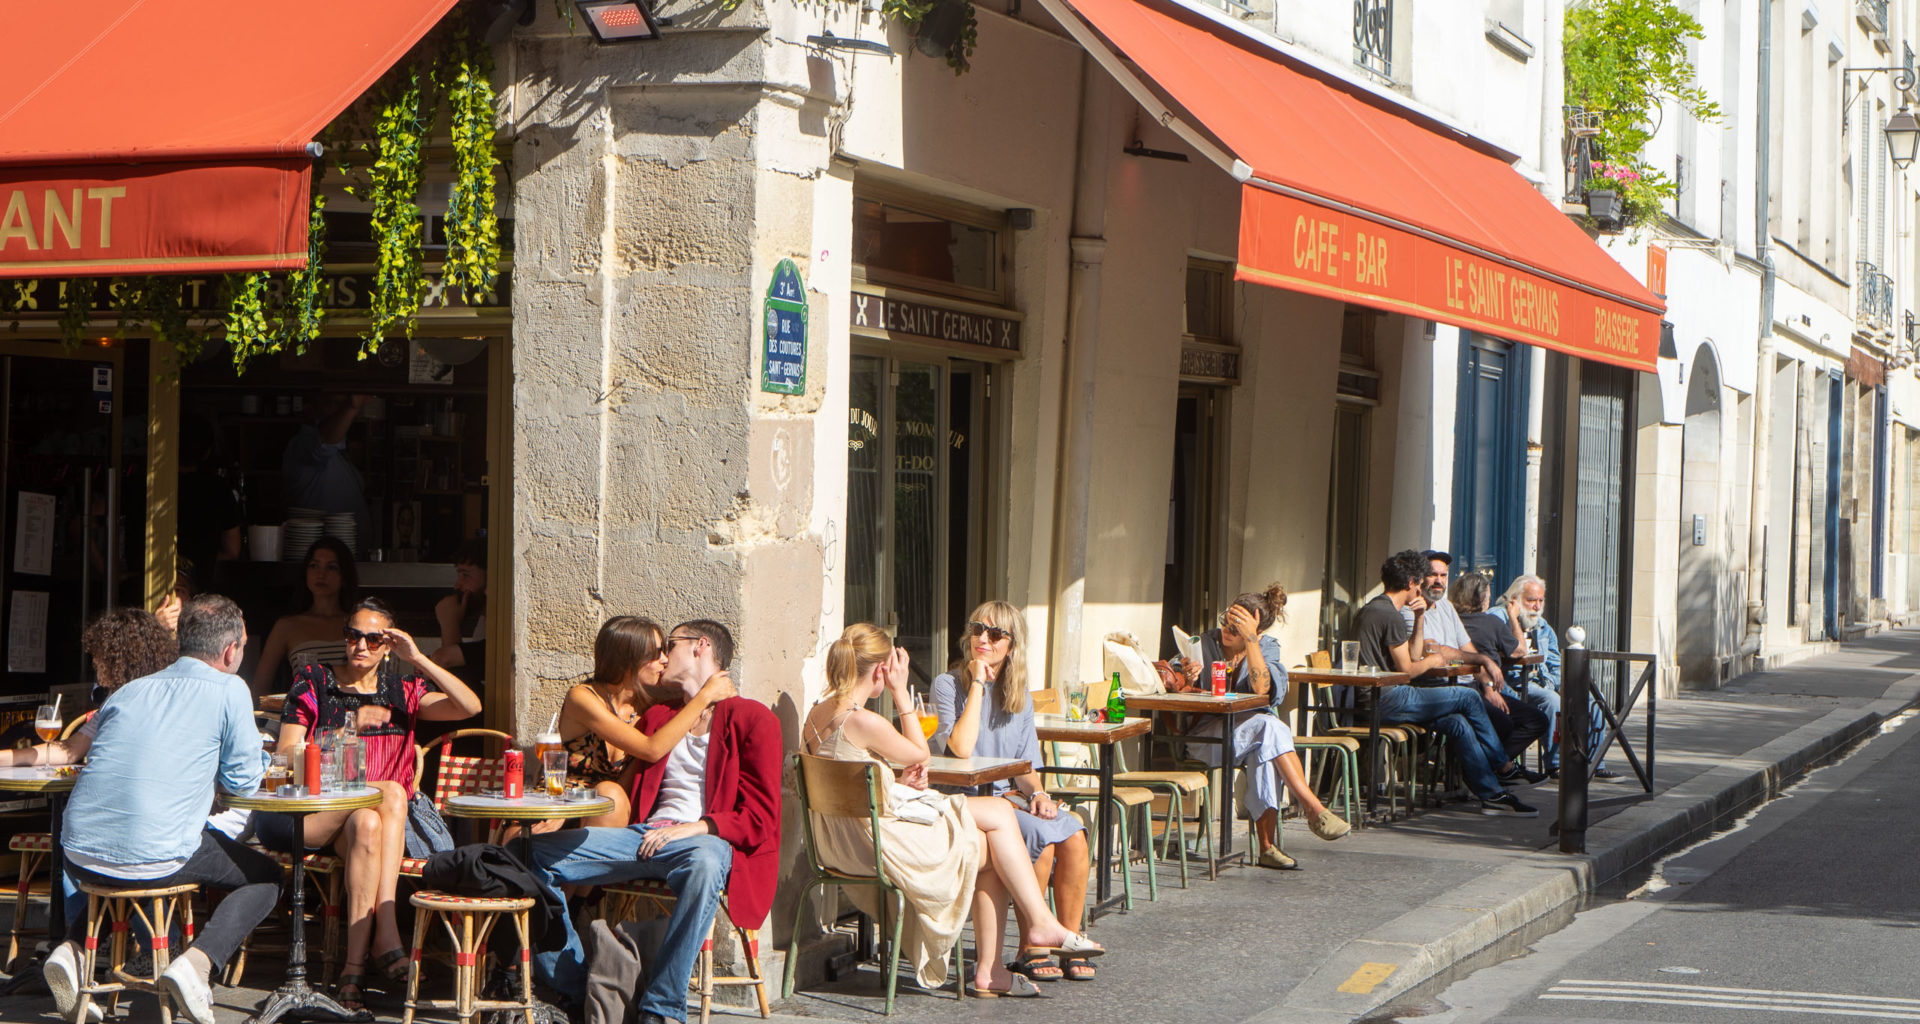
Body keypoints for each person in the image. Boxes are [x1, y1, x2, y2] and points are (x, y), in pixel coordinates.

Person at [804, 623, 1103, 998]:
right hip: (878, 847)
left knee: (996, 818)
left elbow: (848, 779)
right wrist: (901, 694)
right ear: (881, 670)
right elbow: (922, 752)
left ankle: (1033, 930)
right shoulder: (864, 720)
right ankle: (1003, 959)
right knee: (994, 841)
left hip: (841, 843)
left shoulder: (817, 715)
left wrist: (892, 785)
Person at [528, 619, 782, 1024]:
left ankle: (661, 1010)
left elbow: (761, 817)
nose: (662, 656)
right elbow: (623, 777)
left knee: (706, 861)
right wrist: (562, 817)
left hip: (702, 841)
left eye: (671, 645)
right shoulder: (659, 716)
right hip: (641, 837)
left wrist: (699, 827)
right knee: (525, 856)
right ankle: (578, 985)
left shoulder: (753, 719)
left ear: (700, 647)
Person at [43, 595, 283, 1024]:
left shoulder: (130, 690)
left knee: (121, 866)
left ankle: (73, 949)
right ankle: (195, 965)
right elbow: (243, 784)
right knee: (266, 878)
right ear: (230, 652)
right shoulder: (231, 688)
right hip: (152, 855)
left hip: (77, 854)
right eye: (242, 648)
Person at [267, 596, 484, 1010]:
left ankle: (352, 971)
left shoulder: (402, 691)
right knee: (389, 791)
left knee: (369, 822)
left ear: (388, 646)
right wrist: (349, 726)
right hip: (313, 812)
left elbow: (469, 706)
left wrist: (418, 657)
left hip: (369, 827)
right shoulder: (314, 682)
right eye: (353, 635)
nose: (360, 645)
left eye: (373, 638)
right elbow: (287, 753)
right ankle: (387, 929)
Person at [931, 602, 1095, 982]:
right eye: (977, 630)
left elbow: (1026, 767)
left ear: (1012, 645)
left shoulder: (1019, 693)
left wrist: (1038, 794)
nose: (982, 640)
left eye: (994, 634)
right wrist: (977, 683)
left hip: (1007, 796)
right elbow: (960, 748)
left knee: (1072, 833)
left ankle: (1066, 941)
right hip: (964, 798)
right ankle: (1030, 946)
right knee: (1040, 837)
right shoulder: (949, 684)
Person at [1169, 585, 1351, 869]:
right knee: (1271, 729)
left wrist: (1251, 642)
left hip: (1250, 738)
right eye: (1225, 622)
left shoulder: (1266, 647)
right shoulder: (1204, 643)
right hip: (1206, 738)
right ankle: (1312, 807)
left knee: (1266, 745)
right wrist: (1183, 672)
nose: (1227, 630)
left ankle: (1268, 848)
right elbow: (1170, 675)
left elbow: (1263, 688)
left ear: (1257, 631)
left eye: (1236, 627)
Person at [1351, 551, 1539, 817]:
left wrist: (1419, 619)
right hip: (1386, 697)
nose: (1421, 588)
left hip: (1384, 696)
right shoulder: (1390, 615)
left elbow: (1413, 655)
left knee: (1458, 723)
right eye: (1420, 582)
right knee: (1469, 698)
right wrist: (1435, 659)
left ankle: (1491, 794)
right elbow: (1409, 668)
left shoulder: (1375, 608)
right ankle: (1504, 766)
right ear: (1411, 583)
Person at [555, 615, 737, 828]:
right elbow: (651, 749)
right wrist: (705, 696)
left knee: (611, 796)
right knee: (522, 841)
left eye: (666, 650)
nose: (665, 659)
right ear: (629, 659)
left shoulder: (650, 711)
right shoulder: (583, 697)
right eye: (655, 653)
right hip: (563, 802)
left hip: (611, 812)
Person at [1449, 573, 1550, 769]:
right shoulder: (1491, 623)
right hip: (1486, 689)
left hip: (1459, 688)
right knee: (1533, 720)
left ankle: (1492, 763)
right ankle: (1493, 764)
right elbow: (1520, 650)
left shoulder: (1452, 621)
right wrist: (1513, 617)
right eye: (1487, 595)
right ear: (1481, 599)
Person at [252, 537, 357, 696]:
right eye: (314, 565)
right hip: (304, 715)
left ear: (344, 577)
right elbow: (260, 687)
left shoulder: (356, 625)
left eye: (331, 567)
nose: (321, 574)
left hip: (352, 715)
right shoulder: (287, 626)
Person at [282, 392, 371, 543]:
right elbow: (324, 443)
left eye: (341, 404)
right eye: (332, 404)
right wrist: (350, 408)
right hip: (319, 556)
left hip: (346, 555)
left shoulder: (340, 454)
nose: (339, 410)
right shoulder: (302, 444)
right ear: (309, 410)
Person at [175, 416, 242, 594]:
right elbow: (232, 551)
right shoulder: (218, 489)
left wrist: (105, 567)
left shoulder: (147, 484)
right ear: (207, 452)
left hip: (144, 583)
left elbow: (96, 509)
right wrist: (201, 557)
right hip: (200, 585)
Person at [429, 540, 489, 678]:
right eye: (459, 575)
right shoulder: (483, 621)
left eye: (466, 575)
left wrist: (450, 622)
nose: (457, 585)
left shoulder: (502, 636)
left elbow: (445, 662)